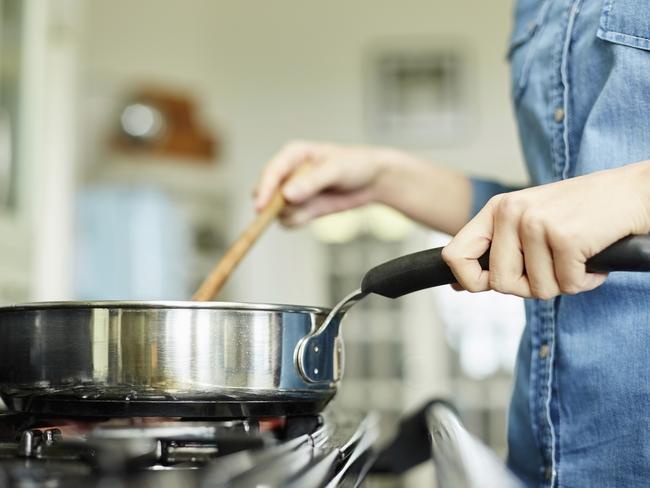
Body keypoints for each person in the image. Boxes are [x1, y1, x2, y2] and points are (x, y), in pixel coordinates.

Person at [254, 0, 650, 486]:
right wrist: (384, 177)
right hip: (545, 457)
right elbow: (549, 216)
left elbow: (612, 204)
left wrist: (637, 191)